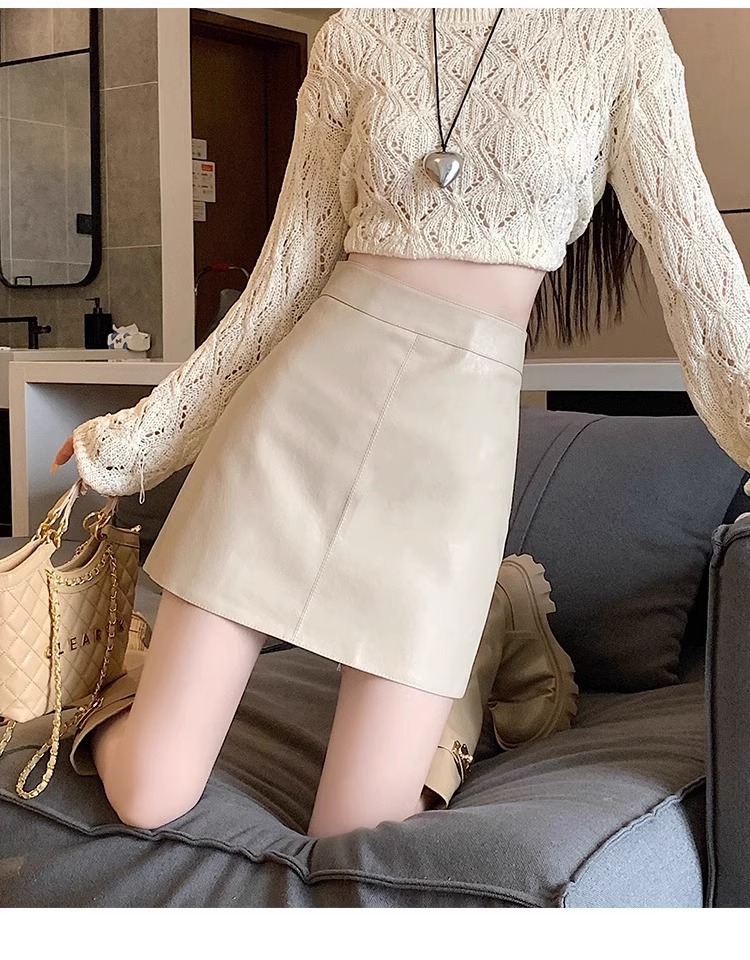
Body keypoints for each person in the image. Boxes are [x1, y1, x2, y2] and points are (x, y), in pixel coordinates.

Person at [53, 7, 750, 837]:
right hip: (302, 406)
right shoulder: (357, 32)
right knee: (150, 794)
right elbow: (284, 280)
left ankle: (492, 623)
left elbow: (697, 268)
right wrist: (139, 437)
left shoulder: (617, 32)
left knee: (354, 836)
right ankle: (103, 695)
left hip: (457, 444)